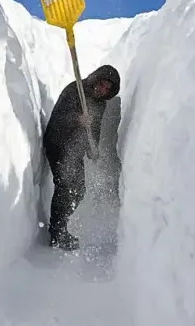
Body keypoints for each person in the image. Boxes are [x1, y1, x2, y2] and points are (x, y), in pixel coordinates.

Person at [42, 64, 121, 250]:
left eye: (107, 88)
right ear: (95, 78)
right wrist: (77, 119)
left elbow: (94, 128)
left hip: (74, 151)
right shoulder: (75, 89)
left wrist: (93, 148)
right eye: (101, 83)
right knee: (66, 186)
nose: (102, 89)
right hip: (58, 143)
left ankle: (60, 226)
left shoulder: (100, 103)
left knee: (78, 191)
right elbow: (60, 117)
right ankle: (57, 233)